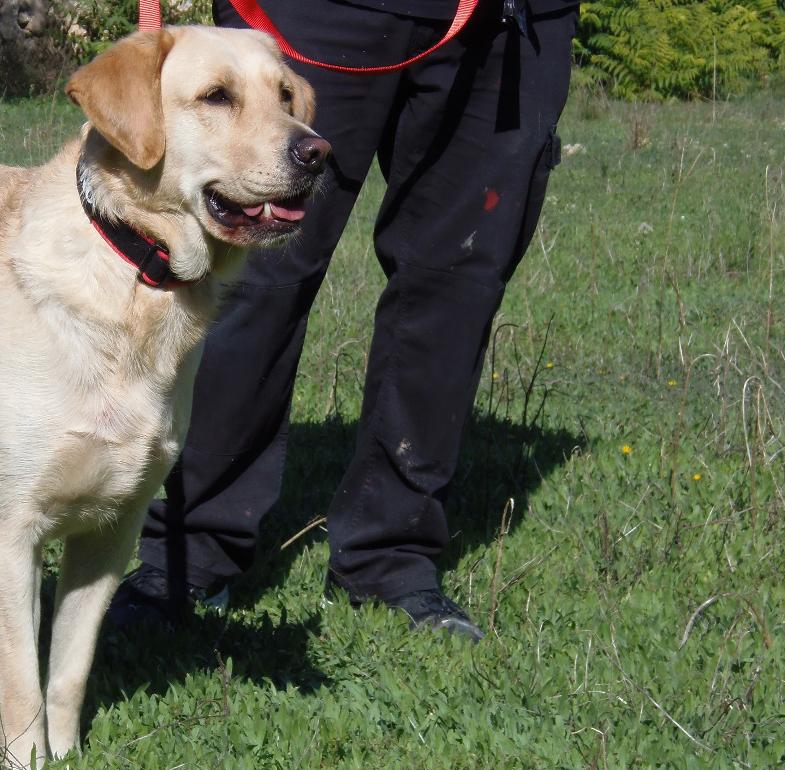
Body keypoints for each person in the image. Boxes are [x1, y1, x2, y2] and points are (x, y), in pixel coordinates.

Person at [108, 0, 581, 640]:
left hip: (512, 23)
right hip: (325, 9)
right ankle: (189, 551)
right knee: (251, 263)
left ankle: (389, 561)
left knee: (457, 277)